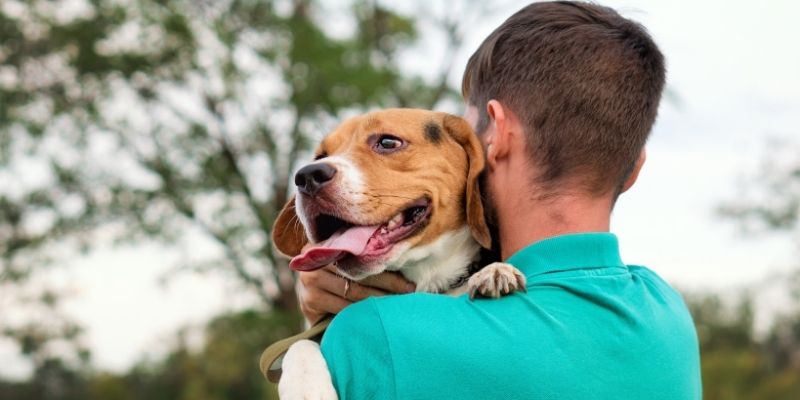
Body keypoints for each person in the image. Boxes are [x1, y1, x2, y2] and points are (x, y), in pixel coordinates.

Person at [296, 2, 702, 399]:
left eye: (472, 131)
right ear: (633, 170)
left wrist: (327, 322)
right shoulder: (669, 314)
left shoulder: (373, 336)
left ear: (498, 135)